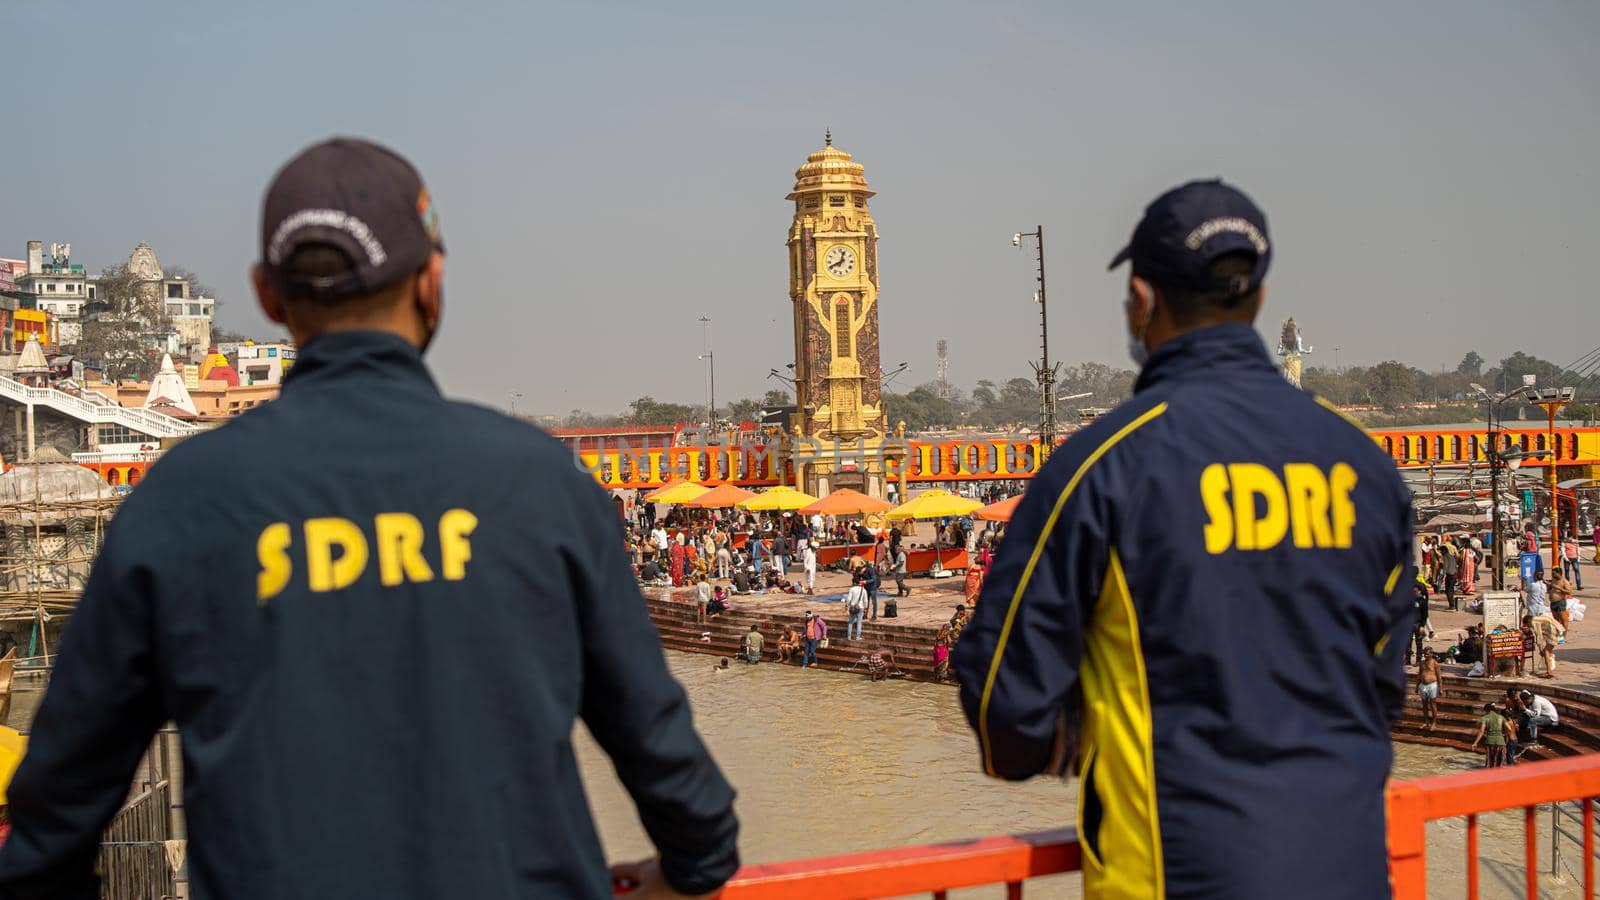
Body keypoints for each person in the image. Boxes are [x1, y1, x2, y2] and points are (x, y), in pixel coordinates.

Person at [0, 139, 738, 900]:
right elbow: (676, 778)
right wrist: (691, 868)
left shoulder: (180, 502)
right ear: (433, 283)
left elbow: (53, 821)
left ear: (268, 295)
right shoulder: (539, 483)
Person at [954, 180, 1413, 900]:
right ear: (1257, 301)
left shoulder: (1101, 469)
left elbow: (1002, 712)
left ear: (1142, 300)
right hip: (1352, 873)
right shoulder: (1367, 471)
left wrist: (1076, 737)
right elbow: (1383, 692)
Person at [1470, 703, 1507, 768]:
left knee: (1490, 763)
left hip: (1490, 742)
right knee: (1500, 763)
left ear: (1487, 710)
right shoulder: (1501, 717)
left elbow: (1482, 731)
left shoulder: (1485, 718)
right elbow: (1509, 728)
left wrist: (1475, 743)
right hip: (1501, 742)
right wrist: (1503, 735)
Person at [1417, 650, 1440, 732]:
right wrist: (1417, 687)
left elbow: (1439, 676)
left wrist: (1441, 688)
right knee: (1424, 705)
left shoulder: (1435, 663)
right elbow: (1419, 675)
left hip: (1432, 685)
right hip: (1422, 685)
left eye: (1427, 654)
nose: (1425, 655)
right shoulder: (1422, 663)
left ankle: (1434, 723)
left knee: (1433, 704)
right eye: (1424, 654)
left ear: (1431, 654)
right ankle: (1426, 721)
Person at [845, 574, 870, 641]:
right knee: (859, 622)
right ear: (859, 582)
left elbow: (849, 599)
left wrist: (847, 606)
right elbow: (865, 600)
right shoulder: (863, 590)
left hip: (853, 607)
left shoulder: (851, 589)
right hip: (860, 607)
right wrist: (866, 608)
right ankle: (857, 637)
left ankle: (849, 637)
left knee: (850, 622)